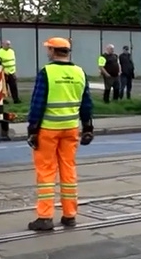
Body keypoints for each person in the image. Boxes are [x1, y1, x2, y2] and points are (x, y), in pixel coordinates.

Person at [26, 37, 94, 232]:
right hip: (71, 129)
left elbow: (37, 103)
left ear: (53, 51)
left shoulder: (47, 72)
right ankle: (69, 215)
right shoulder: (79, 72)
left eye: (48, 49)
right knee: (68, 170)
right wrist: (88, 127)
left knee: (46, 172)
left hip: (48, 129)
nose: (47, 51)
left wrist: (32, 129)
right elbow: (86, 102)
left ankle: (45, 217)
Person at [0, 39, 20, 103]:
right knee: (4, 87)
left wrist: (13, 70)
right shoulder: (0, 52)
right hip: (4, 72)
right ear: (3, 44)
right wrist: (4, 70)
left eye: (9, 44)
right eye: (7, 44)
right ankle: (4, 100)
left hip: (12, 72)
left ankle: (16, 99)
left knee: (13, 86)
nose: (9, 45)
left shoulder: (12, 51)